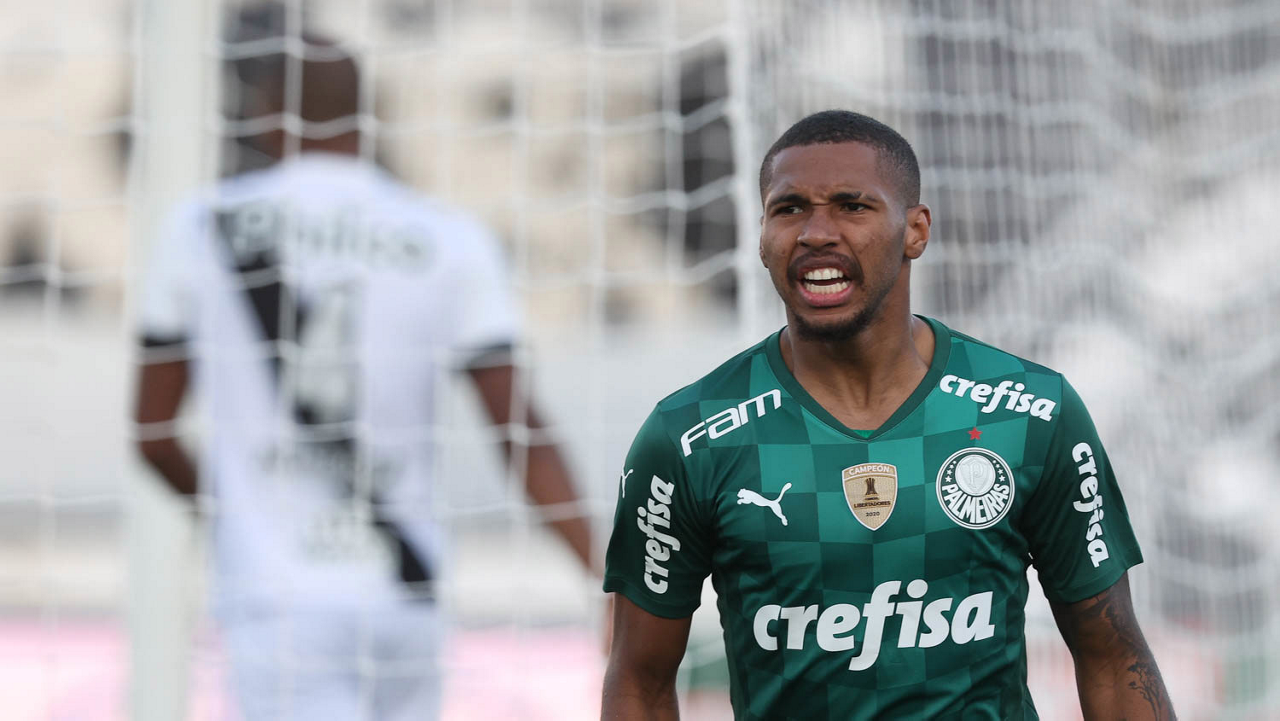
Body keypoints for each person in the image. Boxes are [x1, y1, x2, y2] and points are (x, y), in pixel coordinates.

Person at [601, 110, 1174, 719]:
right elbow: (639, 681)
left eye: (852, 206)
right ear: (763, 235)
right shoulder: (688, 437)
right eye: (789, 209)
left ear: (915, 231)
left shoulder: (1029, 412)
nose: (816, 232)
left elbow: (1112, 656)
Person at [133, 33, 593, 721]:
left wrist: (238, 510)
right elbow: (518, 427)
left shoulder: (200, 228)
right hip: (405, 593)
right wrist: (602, 572)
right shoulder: (447, 236)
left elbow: (152, 433)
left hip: (277, 600)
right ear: (366, 114)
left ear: (263, 111)